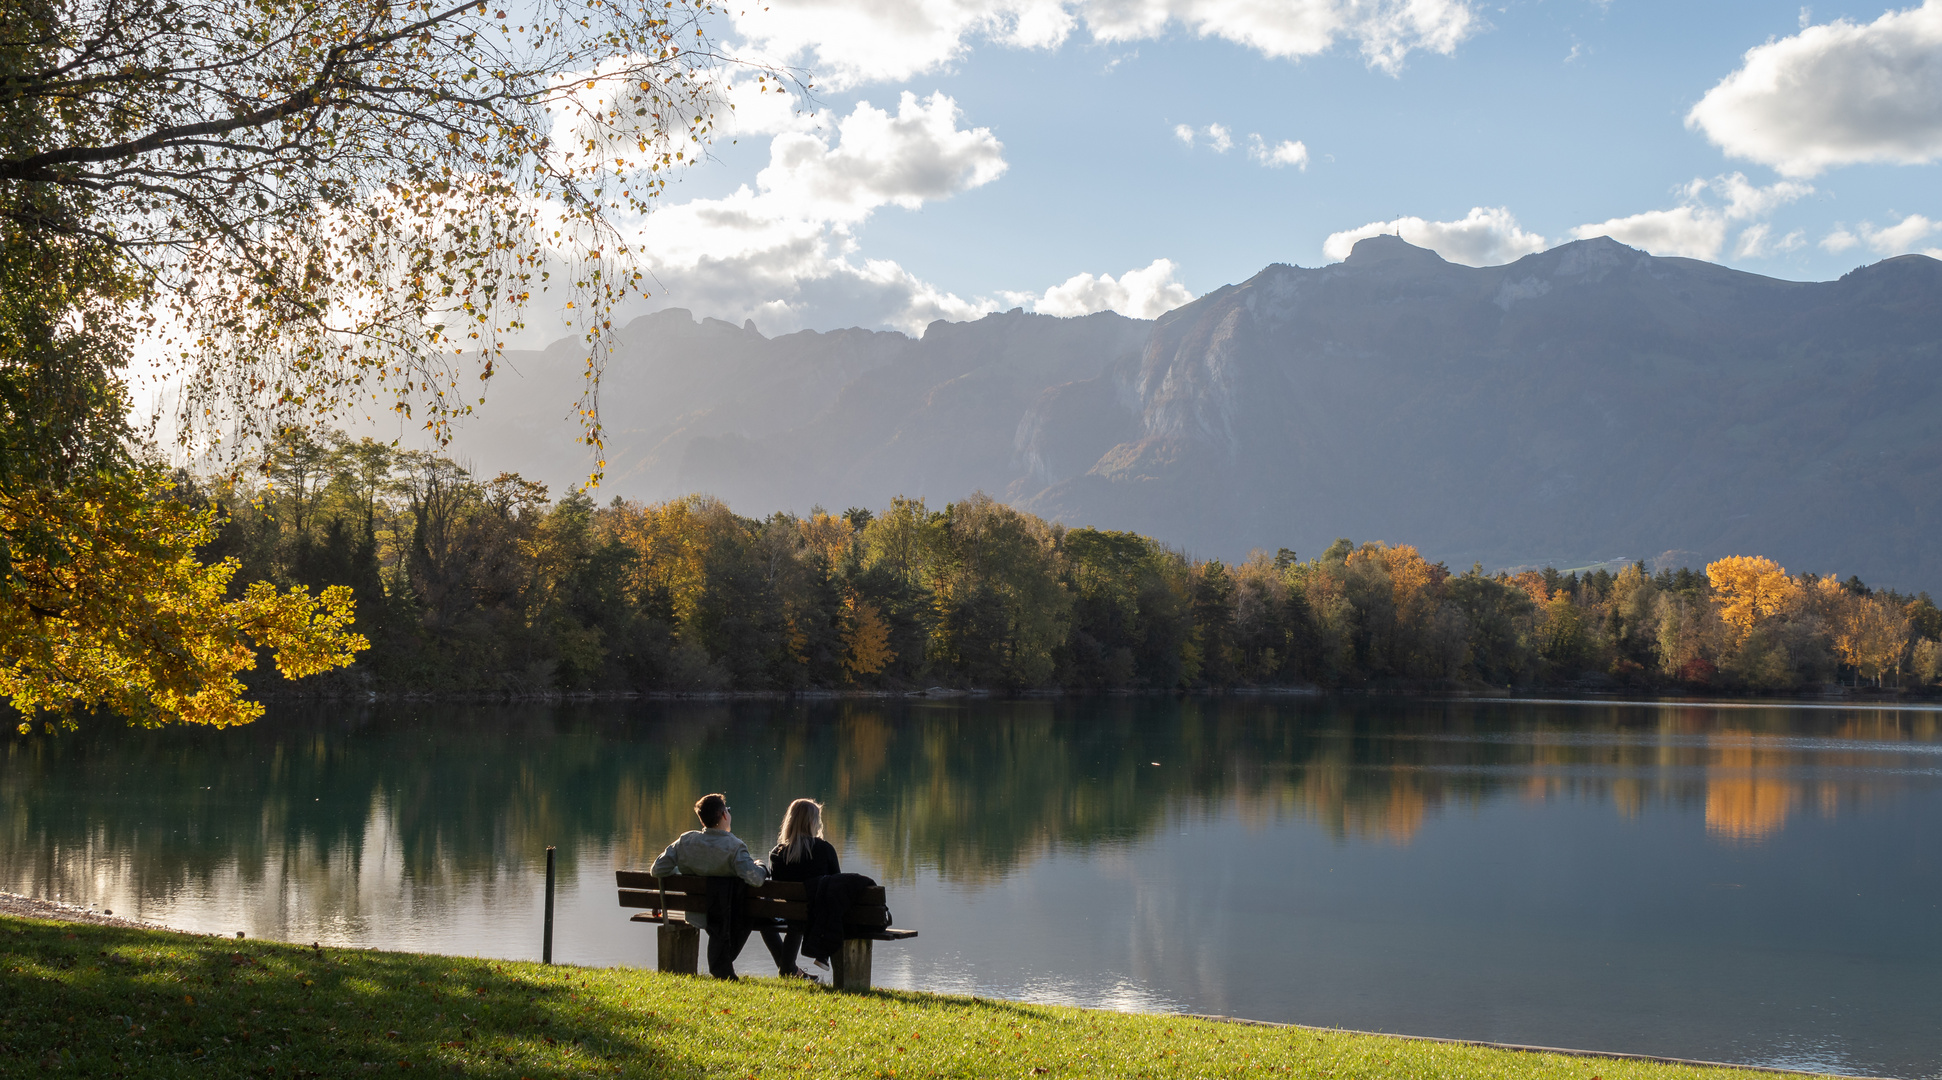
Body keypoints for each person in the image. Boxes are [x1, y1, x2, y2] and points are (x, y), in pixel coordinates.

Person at [651, 793, 767, 979]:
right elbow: (756, 880)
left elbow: (657, 869)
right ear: (723, 815)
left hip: (696, 913)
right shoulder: (735, 847)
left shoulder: (686, 841)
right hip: (727, 916)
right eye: (728, 810)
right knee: (753, 905)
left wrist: (682, 873)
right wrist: (761, 866)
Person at [760, 798, 839, 980]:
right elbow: (837, 883)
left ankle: (788, 969)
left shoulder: (777, 853)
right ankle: (788, 969)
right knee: (799, 916)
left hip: (789, 912)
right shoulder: (824, 849)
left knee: (768, 919)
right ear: (812, 822)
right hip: (818, 916)